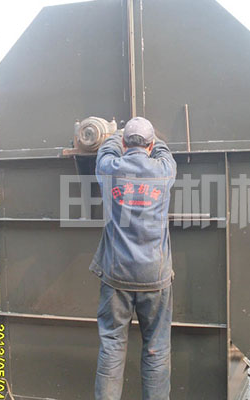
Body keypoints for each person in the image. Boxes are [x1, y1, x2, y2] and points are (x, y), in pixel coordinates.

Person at [89, 117, 177, 400]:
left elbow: (106, 148)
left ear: (125, 144)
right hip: (155, 276)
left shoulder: (109, 168)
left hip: (118, 275)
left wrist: (117, 132)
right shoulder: (164, 170)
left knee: (112, 345)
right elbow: (163, 150)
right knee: (156, 348)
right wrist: (150, 137)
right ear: (150, 145)